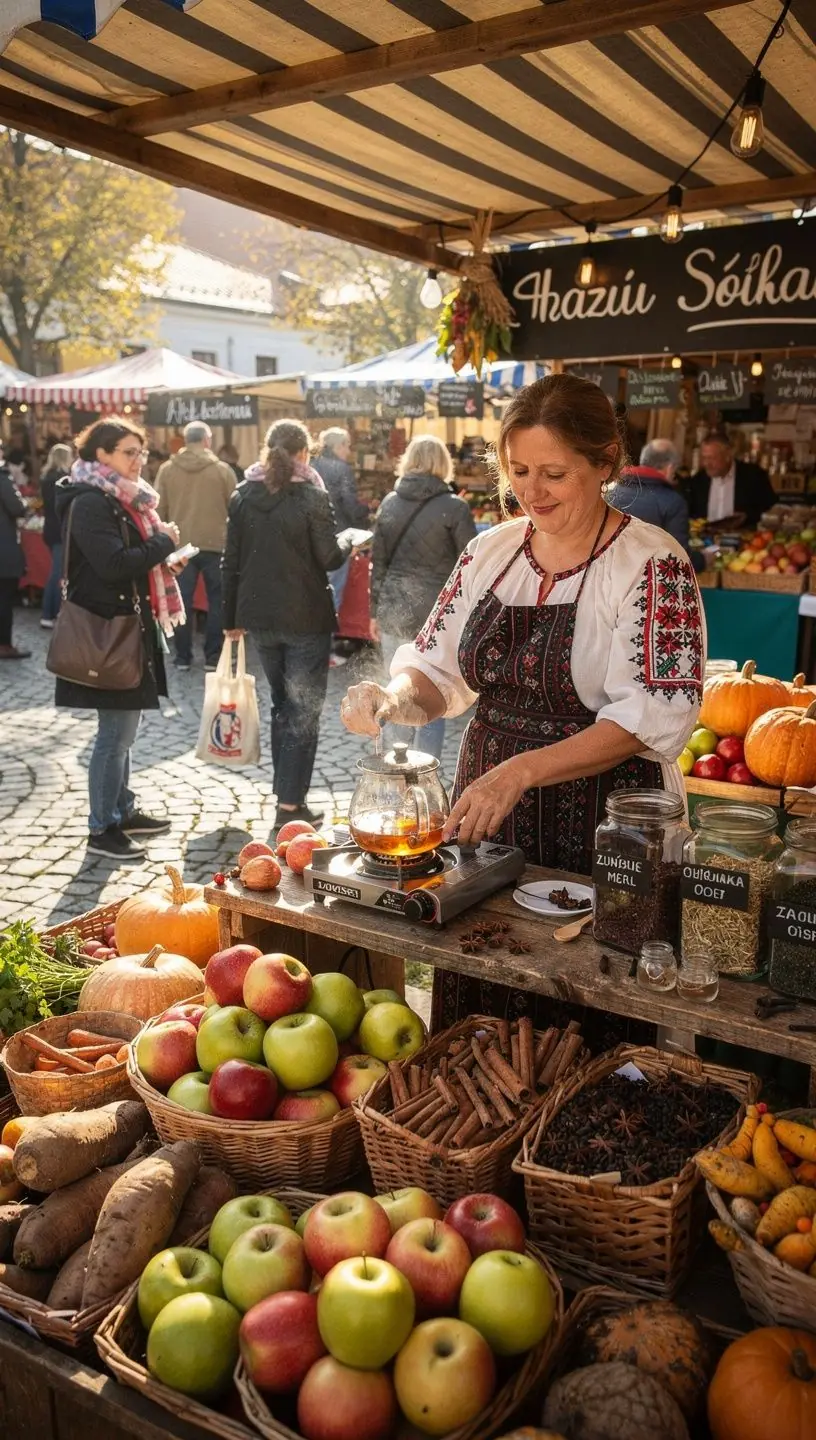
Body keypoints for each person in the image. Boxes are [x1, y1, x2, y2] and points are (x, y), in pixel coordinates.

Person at [340, 374, 705, 1023]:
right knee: (485, 990)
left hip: (610, 820)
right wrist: (391, 697)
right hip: (490, 814)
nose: (531, 492)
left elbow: (653, 714)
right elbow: (434, 670)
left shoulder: (653, 563)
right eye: (520, 470)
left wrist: (524, 770)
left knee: (590, 1002)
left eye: (554, 474)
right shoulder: (490, 552)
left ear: (604, 462)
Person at [54, 417, 186, 860]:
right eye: (130, 452)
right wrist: (164, 544)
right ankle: (102, 828)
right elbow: (112, 564)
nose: (139, 460)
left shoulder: (122, 497)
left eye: (141, 452)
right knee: (115, 734)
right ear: (101, 454)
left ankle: (122, 809)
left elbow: (130, 560)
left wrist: (163, 561)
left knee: (125, 731)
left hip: (129, 624)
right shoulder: (91, 500)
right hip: (107, 630)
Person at [222, 418, 356, 829]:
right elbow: (330, 558)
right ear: (304, 453)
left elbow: (231, 561)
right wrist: (350, 540)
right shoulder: (312, 495)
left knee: (283, 705)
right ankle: (290, 805)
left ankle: (286, 796)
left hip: (260, 617)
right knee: (302, 711)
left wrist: (229, 620)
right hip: (304, 618)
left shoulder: (244, 494)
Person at [370, 434, 476, 761]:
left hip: (394, 610)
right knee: (433, 694)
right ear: (442, 463)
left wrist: (375, 611)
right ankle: (424, 773)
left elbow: (379, 563)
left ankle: (395, 768)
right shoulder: (455, 508)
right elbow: (471, 567)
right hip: (438, 617)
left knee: (395, 691)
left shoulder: (390, 502)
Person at [156, 421, 236, 671]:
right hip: (215, 544)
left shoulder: (167, 470)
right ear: (207, 441)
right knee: (217, 601)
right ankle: (213, 656)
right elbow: (235, 509)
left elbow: (159, 511)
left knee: (181, 601)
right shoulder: (223, 471)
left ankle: (182, 657)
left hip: (180, 547)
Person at [312, 427, 369, 618]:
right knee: (333, 592)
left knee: (315, 589)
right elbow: (350, 505)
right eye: (347, 446)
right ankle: (324, 643)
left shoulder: (312, 464)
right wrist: (366, 515)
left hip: (312, 536)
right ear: (338, 446)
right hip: (338, 536)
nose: (349, 451)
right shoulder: (342, 469)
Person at [606, 439, 690, 552]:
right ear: (670, 468)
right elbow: (679, 555)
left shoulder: (611, 490)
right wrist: (704, 558)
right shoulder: (674, 502)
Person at [688, 432, 776, 527]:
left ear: (728, 455)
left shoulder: (754, 476)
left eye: (712, 458)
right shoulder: (697, 481)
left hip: (744, 538)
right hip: (705, 539)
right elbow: (691, 515)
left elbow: (770, 510)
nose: (707, 464)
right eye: (704, 458)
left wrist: (747, 517)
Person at [39, 441, 74, 628]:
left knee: (57, 572)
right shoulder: (60, 479)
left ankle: (51, 612)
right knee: (57, 573)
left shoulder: (46, 477)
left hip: (50, 528)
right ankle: (48, 613)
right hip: (59, 530)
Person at [0, 442, 29, 660]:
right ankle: (4, 645)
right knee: (4, 598)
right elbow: (17, 507)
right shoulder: (2, 477)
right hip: (3, 549)